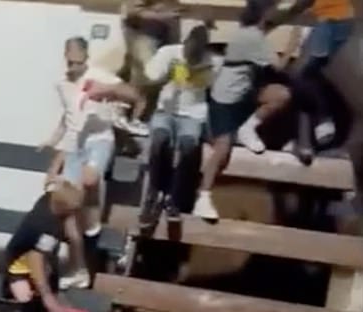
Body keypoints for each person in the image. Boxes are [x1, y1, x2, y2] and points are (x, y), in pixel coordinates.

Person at [43, 37, 141, 289]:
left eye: (79, 59)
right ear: (65, 55)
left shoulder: (100, 75)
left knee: (89, 180)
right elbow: (69, 120)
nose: (74, 64)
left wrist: (106, 91)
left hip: (99, 139)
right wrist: (54, 143)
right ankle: (78, 269)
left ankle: (94, 224)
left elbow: (135, 96)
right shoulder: (62, 84)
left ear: (86, 56)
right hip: (75, 145)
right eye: (70, 59)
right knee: (67, 211)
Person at [192, 0, 296, 221]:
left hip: (245, 94)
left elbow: (279, 18)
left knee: (280, 94)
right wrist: (294, 43)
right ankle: (203, 195)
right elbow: (280, 66)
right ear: (262, 14)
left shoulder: (250, 31)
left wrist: (302, 6)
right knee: (223, 147)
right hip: (226, 100)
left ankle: (248, 128)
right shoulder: (253, 38)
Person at [140, 23, 218, 227]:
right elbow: (148, 79)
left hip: (193, 114)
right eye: (189, 55)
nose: (192, 61)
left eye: (196, 57)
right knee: (159, 139)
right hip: (166, 109)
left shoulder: (212, 62)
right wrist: (166, 76)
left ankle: (174, 199)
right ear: (184, 44)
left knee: (189, 145)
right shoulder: (169, 53)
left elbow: (215, 94)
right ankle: (154, 193)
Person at [3, 180, 83, 312]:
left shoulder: (49, 199)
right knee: (34, 307)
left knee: (59, 307)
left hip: (43, 261)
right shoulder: (44, 227)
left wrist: (76, 243)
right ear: (64, 209)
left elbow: (54, 184)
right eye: (72, 211)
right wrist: (46, 295)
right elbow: (35, 261)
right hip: (20, 265)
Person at [269, 0, 355, 163]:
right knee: (304, 90)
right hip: (307, 71)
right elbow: (291, 48)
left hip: (326, 72)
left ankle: (318, 140)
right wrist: (280, 68)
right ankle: (305, 143)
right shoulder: (304, 23)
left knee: (314, 89)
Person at [118, 0, 181, 133]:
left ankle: (137, 119)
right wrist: (164, 15)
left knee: (152, 84)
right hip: (143, 40)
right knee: (144, 79)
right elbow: (133, 13)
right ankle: (126, 116)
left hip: (161, 42)